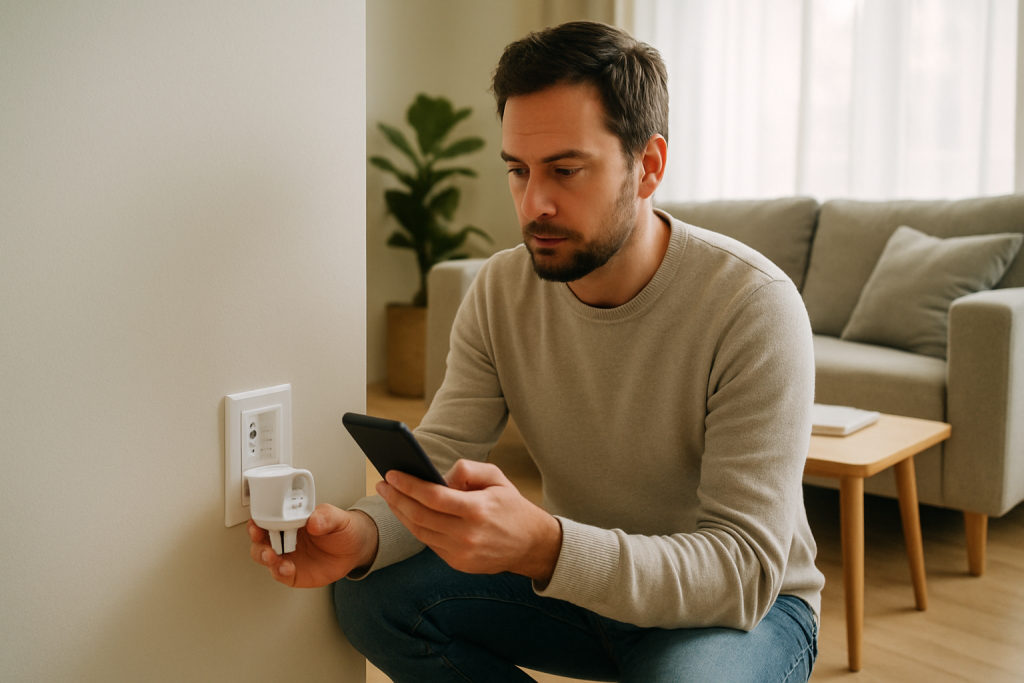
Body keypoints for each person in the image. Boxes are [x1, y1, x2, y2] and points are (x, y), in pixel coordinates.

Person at [250, 20, 824, 682]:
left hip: (738, 613)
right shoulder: (500, 289)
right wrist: (365, 534)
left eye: (566, 170)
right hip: (587, 589)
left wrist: (546, 545)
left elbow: (740, 570)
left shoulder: (753, 306)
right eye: (518, 171)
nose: (534, 203)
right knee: (369, 595)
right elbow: (440, 454)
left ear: (650, 166)